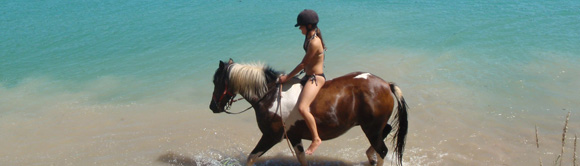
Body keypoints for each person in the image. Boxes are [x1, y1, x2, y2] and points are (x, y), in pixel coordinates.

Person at [278, 9, 326, 155]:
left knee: (302, 108)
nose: (299, 28)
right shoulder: (309, 37)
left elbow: (303, 64)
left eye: (301, 26)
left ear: (309, 26)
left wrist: (287, 78)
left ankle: (316, 139)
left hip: (315, 78)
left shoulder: (314, 42)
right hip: (307, 76)